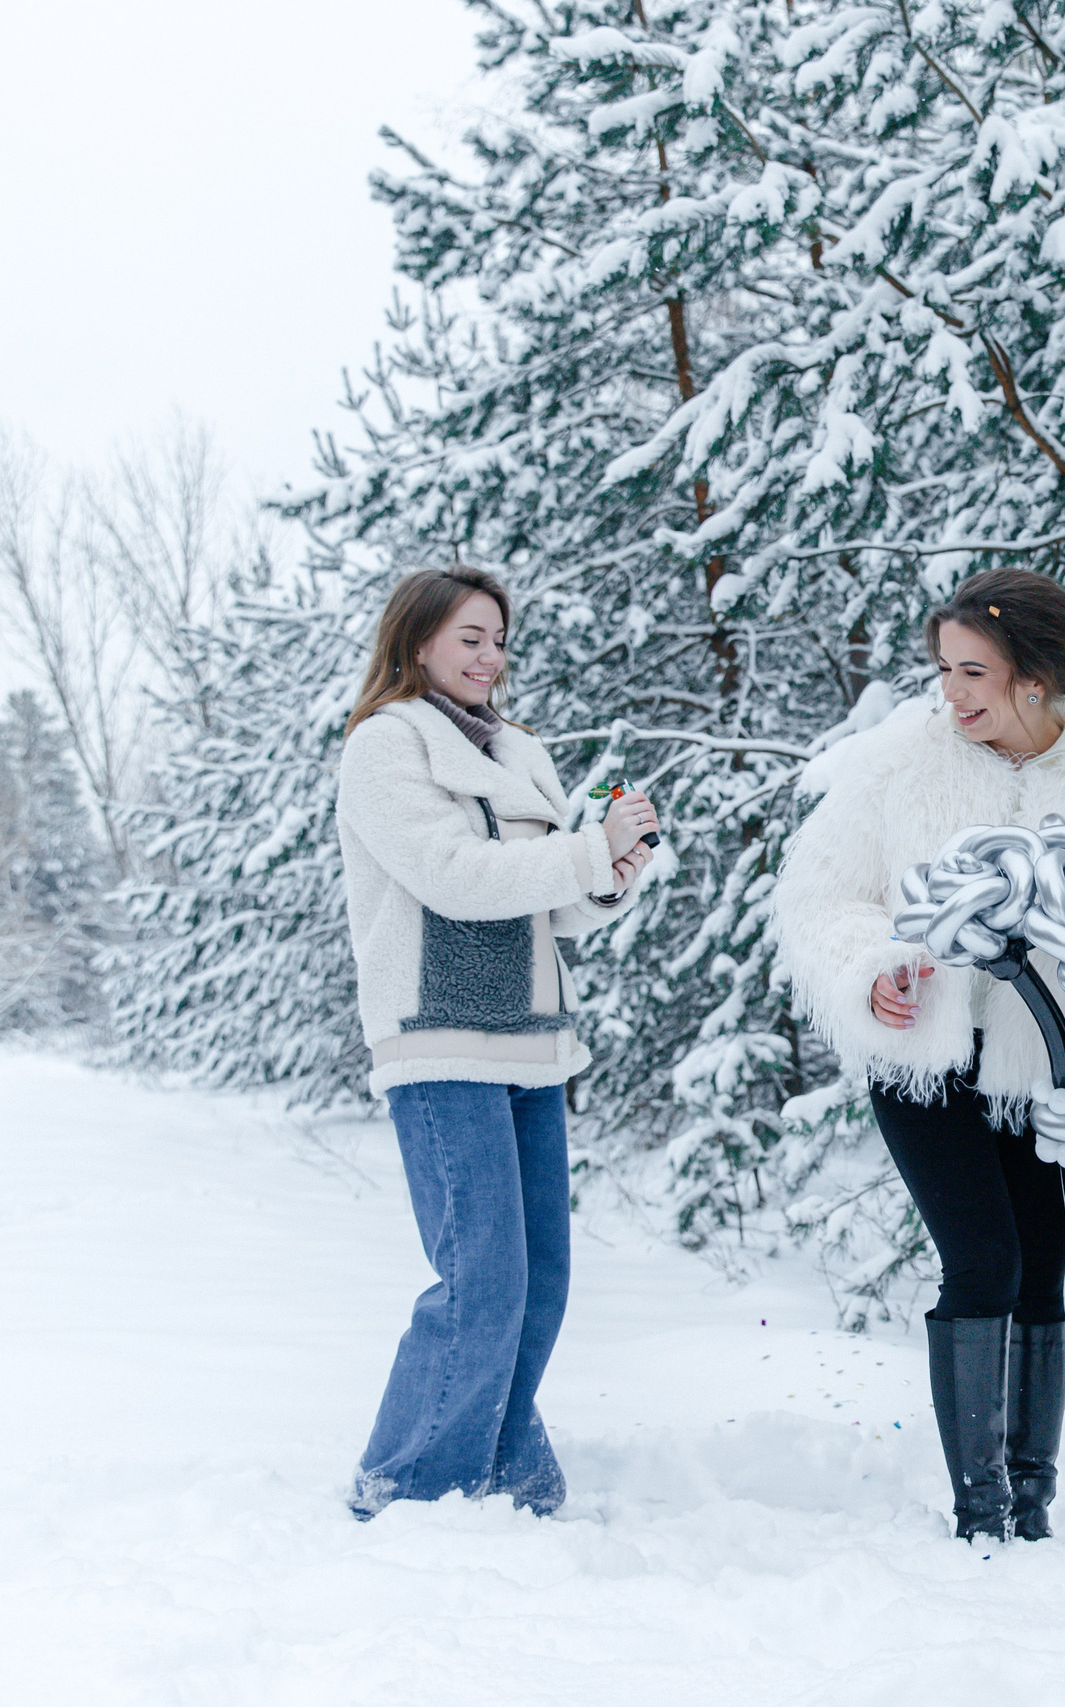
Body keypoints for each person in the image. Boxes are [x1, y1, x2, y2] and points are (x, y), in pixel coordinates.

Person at [771, 569, 1065, 1542]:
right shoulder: (900, 763)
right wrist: (872, 969)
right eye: (944, 670)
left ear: (1035, 678)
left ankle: (1031, 1505)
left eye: (974, 671)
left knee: (1043, 1268)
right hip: (926, 1060)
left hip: (1050, 1072)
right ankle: (980, 1515)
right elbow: (820, 896)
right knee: (982, 1261)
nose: (953, 692)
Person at [334, 566, 661, 1519]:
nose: (490, 656)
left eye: (499, 639)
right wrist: (584, 849)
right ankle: (410, 1492)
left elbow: (550, 906)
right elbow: (454, 875)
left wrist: (611, 870)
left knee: (541, 1282)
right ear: (418, 642)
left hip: (531, 1037)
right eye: (470, 637)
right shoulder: (386, 745)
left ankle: (504, 1475)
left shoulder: (521, 749)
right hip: (441, 1038)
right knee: (482, 1279)